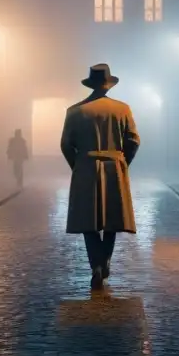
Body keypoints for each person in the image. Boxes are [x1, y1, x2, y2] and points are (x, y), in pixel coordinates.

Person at [60, 63, 141, 290]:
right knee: (112, 220)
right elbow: (134, 140)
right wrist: (123, 162)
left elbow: (66, 144)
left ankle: (96, 264)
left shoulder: (74, 111)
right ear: (108, 85)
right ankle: (105, 261)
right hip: (114, 166)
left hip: (85, 166)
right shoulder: (123, 109)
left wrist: (77, 165)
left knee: (89, 221)